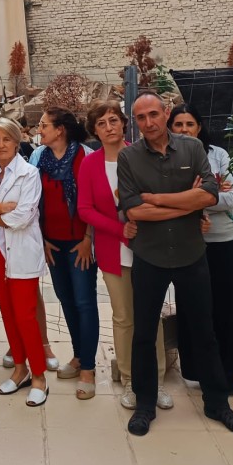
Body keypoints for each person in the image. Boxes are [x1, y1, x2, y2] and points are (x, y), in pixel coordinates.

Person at [118, 92, 233, 436]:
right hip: (150, 255)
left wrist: (160, 199)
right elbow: (134, 210)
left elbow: (209, 195)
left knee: (204, 331)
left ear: (165, 113)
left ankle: (217, 403)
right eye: (141, 117)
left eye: (153, 114)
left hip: (192, 254)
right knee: (144, 334)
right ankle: (145, 405)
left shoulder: (192, 149)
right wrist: (186, 204)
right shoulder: (129, 158)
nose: (148, 122)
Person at [78, 100, 173, 411]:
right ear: (94, 131)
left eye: (113, 120)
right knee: (123, 318)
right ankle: (131, 379)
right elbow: (85, 209)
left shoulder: (141, 155)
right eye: (102, 123)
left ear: (123, 124)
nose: (109, 127)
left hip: (148, 249)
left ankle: (156, 380)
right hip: (112, 251)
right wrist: (120, 231)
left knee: (152, 316)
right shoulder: (90, 165)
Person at [0, 107, 59, 372]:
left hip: (21, 252)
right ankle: (20, 368)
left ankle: (38, 376)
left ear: (16, 140)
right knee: (7, 314)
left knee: (25, 314)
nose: (0, 145)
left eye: (6, 139)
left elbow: (22, 218)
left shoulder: (29, 174)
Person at [169, 103, 233, 396]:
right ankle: (194, 368)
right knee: (193, 308)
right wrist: (207, 195)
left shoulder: (219, 155)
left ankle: (226, 369)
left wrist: (190, 199)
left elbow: (232, 199)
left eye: (190, 124)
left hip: (225, 242)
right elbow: (169, 200)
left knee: (227, 308)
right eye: (178, 125)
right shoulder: (168, 159)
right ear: (171, 129)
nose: (185, 130)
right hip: (190, 244)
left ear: (199, 127)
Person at [33, 107, 99, 396]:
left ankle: (88, 369)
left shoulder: (85, 156)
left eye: (44, 124)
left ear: (60, 129)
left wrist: (88, 239)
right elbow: (33, 202)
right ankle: (78, 355)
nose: (39, 129)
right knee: (67, 300)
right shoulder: (38, 158)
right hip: (52, 244)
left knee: (84, 301)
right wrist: (42, 238)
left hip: (80, 244)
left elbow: (93, 200)